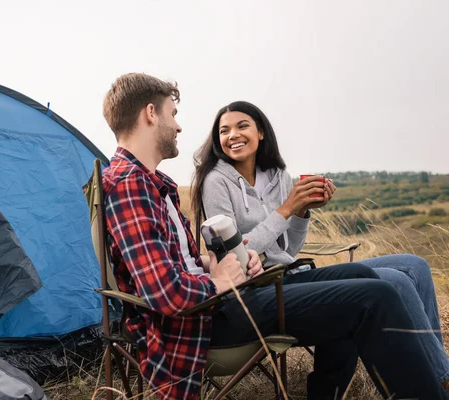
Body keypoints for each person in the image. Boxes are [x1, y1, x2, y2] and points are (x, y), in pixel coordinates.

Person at [102, 73, 447, 399]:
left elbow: (182, 264)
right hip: (207, 318)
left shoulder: (150, 183)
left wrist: (230, 262)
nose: (178, 125)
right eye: (172, 114)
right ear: (150, 114)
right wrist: (220, 282)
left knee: (362, 275)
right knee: (377, 296)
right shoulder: (130, 185)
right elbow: (167, 293)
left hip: (224, 299)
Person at [193, 100, 449, 394]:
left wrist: (302, 212)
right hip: (260, 284)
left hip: (288, 271)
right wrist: (287, 209)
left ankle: (439, 371)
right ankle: (440, 381)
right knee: (396, 280)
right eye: (224, 131)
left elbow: (288, 250)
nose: (232, 135)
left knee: (415, 265)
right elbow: (235, 251)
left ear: (261, 132)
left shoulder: (278, 177)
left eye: (241, 126)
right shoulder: (216, 181)